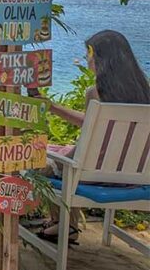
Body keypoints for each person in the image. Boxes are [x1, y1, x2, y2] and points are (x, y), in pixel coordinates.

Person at [28, 30, 150, 241]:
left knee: (39, 159)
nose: (86, 59)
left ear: (101, 58)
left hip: (92, 177)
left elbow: (87, 132)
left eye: (88, 54)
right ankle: (66, 225)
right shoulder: (144, 94)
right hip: (134, 180)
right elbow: (90, 123)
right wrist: (52, 107)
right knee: (66, 156)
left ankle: (65, 225)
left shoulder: (95, 94)